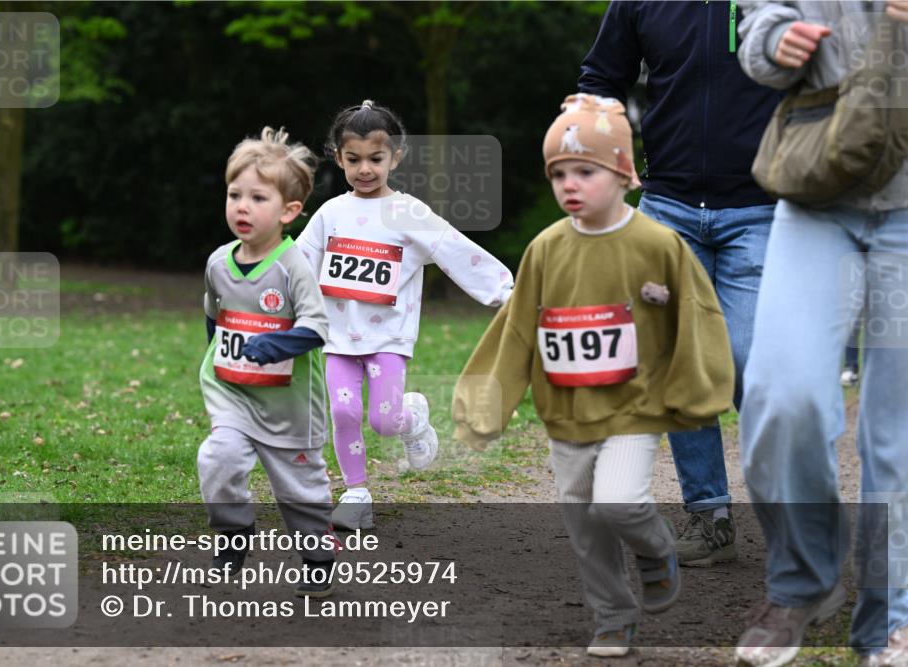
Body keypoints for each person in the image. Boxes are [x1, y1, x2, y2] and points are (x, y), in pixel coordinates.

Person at [452, 93, 735, 657]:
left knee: (620, 502)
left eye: (585, 170)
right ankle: (612, 615)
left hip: (634, 409)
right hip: (566, 415)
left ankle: (656, 547)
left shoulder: (659, 244)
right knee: (585, 522)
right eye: (558, 173)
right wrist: (489, 401)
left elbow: (698, 319)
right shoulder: (546, 249)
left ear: (625, 173)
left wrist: (693, 390)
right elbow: (515, 332)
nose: (569, 185)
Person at [578, 0, 782, 567]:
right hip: (668, 206)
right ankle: (709, 514)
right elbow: (600, 79)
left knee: (748, 361)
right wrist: (605, 143)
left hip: (761, 207)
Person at [735, 2, 908, 665]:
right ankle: (802, 582)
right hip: (818, 192)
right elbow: (753, 27)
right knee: (784, 394)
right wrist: (776, 41)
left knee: (897, 435)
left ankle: (889, 621)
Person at [297, 100, 514, 531]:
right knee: (342, 414)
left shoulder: (409, 212)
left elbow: (455, 250)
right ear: (338, 157)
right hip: (337, 336)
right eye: (354, 159)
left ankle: (412, 419)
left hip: (389, 339)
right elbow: (300, 261)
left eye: (375, 159)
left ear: (395, 156)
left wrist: (506, 292)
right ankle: (356, 492)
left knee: (383, 420)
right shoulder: (330, 213)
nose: (365, 169)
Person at [197, 127, 336, 598]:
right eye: (235, 194)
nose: (242, 206)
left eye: (258, 197)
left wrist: (274, 347)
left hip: (291, 407)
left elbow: (318, 328)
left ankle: (318, 556)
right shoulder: (218, 262)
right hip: (234, 392)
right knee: (218, 459)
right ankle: (234, 536)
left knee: (300, 492)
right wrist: (221, 356)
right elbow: (214, 316)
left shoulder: (292, 265)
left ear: (289, 212)